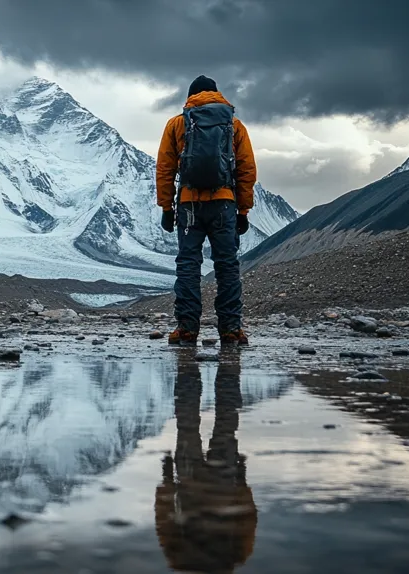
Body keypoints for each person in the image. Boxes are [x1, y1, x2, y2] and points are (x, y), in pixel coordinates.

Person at [156, 75, 257, 346]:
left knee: (188, 265)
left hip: (189, 205)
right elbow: (246, 170)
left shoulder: (177, 124)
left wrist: (166, 207)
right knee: (227, 266)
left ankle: (187, 328)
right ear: (217, 95)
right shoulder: (234, 125)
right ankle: (231, 330)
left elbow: (165, 169)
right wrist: (243, 210)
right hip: (224, 203)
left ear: (190, 97)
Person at [155, 349, 257, 573]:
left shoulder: (183, 560)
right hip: (210, 482)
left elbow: (247, 518)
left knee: (219, 424)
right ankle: (228, 354)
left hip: (199, 481)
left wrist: (167, 481)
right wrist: (242, 481)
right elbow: (165, 521)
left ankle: (205, 373)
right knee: (195, 423)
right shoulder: (228, 558)